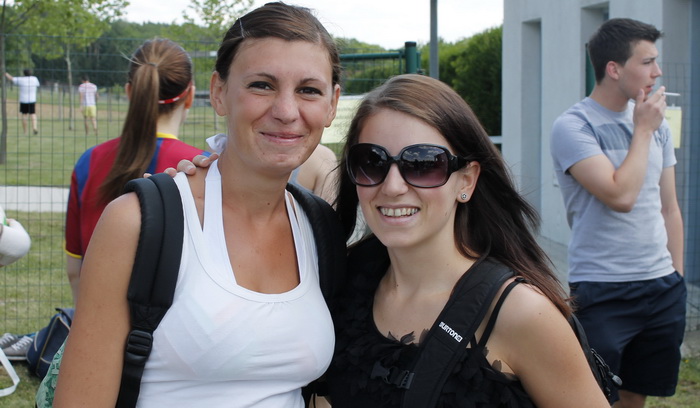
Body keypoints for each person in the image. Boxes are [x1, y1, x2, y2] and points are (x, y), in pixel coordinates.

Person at [52, 3, 341, 406]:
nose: (286, 111)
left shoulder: (320, 227)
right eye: (262, 85)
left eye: (309, 90)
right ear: (219, 92)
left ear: (332, 104)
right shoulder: (137, 222)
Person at [322, 74, 609, 407]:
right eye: (372, 161)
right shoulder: (344, 284)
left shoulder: (523, 314)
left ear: (467, 181)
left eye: (423, 164)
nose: (393, 186)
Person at [550, 18, 686, 408]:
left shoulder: (657, 126)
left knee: (635, 394)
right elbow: (620, 195)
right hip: (602, 289)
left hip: (661, 288)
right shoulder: (573, 126)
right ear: (614, 69)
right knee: (594, 395)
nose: (657, 72)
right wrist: (642, 130)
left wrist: (676, 278)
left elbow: (669, 207)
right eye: (647, 62)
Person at [63, 38, 207, 304]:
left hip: (95, 321)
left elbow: (76, 269)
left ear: (130, 91)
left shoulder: (89, 162)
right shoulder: (204, 169)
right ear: (189, 96)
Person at [206, 132, 339, 203]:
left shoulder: (220, 149)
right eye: (263, 89)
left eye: (308, 91)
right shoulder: (322, 159)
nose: (286, 113)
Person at [5, 69, 40, 135]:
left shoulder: (21, 79)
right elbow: (38, 85)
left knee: (24, 115)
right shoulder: (34, 79)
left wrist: (5, 73)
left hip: (23, 100)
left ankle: (25, 131)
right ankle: (34, 128)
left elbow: (11, 78)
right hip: (32, 99)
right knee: (33, 114)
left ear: (24, 73)